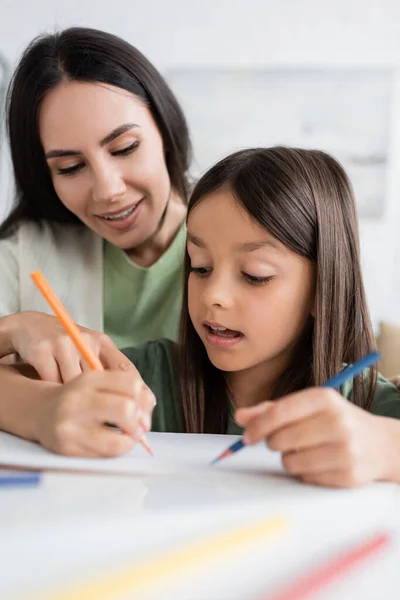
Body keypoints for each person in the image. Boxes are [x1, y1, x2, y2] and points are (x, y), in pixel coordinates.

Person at [2, 147, 400, 488]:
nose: (213, 297)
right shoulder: (147, 377)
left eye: (254, 275)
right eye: (200, 266)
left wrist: (387, 449)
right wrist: (38, 409)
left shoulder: (365, 402)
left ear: (322, 289)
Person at [0, 26, 191, 374]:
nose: (108, 191)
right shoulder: (20, 254)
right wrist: (13, 329)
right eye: (71, 168)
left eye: (125, 148)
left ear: (164, 128)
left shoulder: (244, 222)